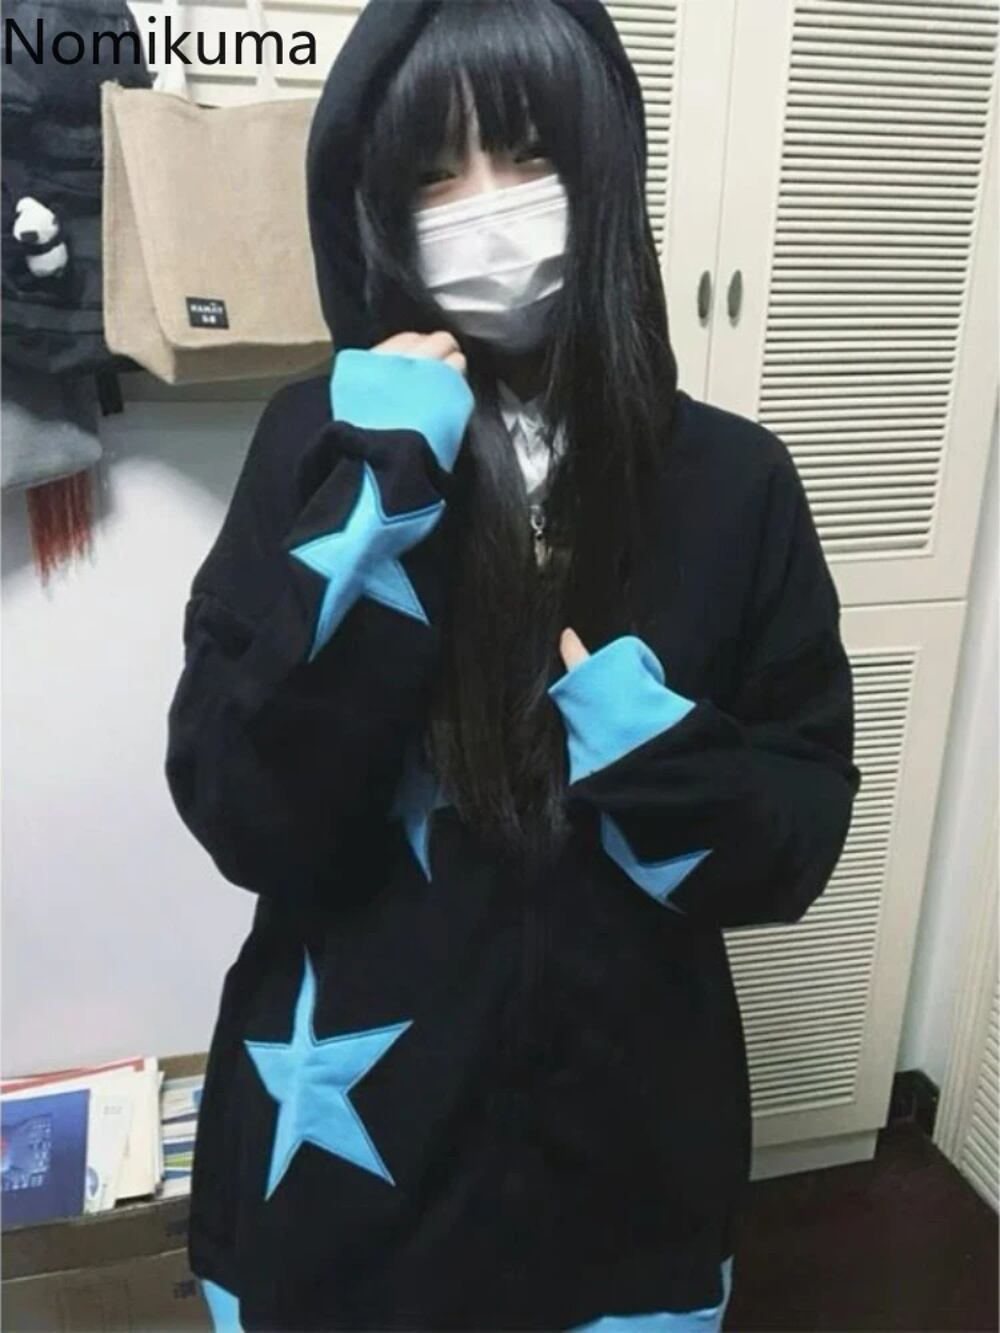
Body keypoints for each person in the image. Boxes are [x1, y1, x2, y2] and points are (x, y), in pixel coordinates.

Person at [164, 1, 861, 1329]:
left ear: (601, 171)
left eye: (530, 153)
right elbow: (242, 810)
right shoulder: (317, 441)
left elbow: (799, 833)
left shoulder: (734, 480)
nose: (487, 206)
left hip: (621, 1178)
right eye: (438, 170)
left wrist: (664, 761)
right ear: (381, 204)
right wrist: (374, 501)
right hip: (343, 1178)